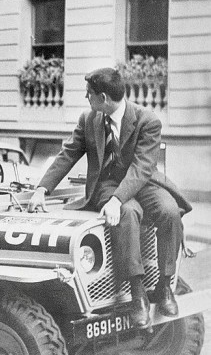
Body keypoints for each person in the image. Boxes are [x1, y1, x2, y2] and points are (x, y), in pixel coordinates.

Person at [27, 67, 191, 329]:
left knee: (170, 211)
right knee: (128, 214)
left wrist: (118, 198)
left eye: (89, 94)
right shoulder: (89, 119)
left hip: (144, 180)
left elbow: (142, 167)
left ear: (102, 97)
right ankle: (137, 294)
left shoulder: (147, 120)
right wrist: (42, 189)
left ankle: (165, 286)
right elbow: (67, 155)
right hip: (106, 184)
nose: (86, 98)